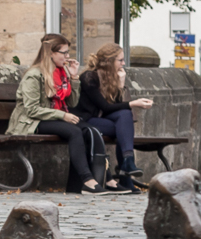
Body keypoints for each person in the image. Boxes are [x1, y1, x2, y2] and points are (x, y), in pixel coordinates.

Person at [8, 34, 123, 195]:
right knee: (74, 131)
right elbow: (31, 109)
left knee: (90, 130)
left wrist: (74, 77)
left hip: (53, 116)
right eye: (64, 53)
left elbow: (71, 103)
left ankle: (103, 180)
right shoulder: (34, 75)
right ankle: (88, 181)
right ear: (51, 53)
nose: (68, 57)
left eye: (68, 52)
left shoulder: (61, 73)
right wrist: (62, 116)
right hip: (31, 121)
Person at [77, 43, 153, 192]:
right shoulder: (89, 77)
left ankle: (127, 163)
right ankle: (126, 171)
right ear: (108, 61)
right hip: (87, 120)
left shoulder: (112, 76)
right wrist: (133, 103)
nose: (123, 64)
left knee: (124, 116)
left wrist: (120, 84)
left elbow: (117, 106)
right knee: (123, 127)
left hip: (102, 119)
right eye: (120, 60)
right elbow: (105, 107)